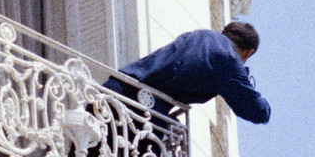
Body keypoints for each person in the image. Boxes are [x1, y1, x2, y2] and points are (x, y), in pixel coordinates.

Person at [104, 21, 270, 124]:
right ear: (248, 52)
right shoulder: (229, 60)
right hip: (139, 111)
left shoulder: (201, 35)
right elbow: (257, 111)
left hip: (116, 88)